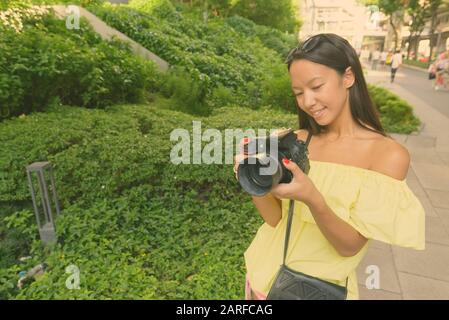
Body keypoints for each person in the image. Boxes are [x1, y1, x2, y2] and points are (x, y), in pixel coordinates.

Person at [233, 33, 425, 300]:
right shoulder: (297, 140)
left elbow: (349, 246)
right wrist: (252, 178)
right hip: (262, 282)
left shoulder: (388, 155)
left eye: (316, 86)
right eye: (299, 93)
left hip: (316, 291)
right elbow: (275, 219)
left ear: (348, 77)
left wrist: (312, 198)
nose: (308, 102)